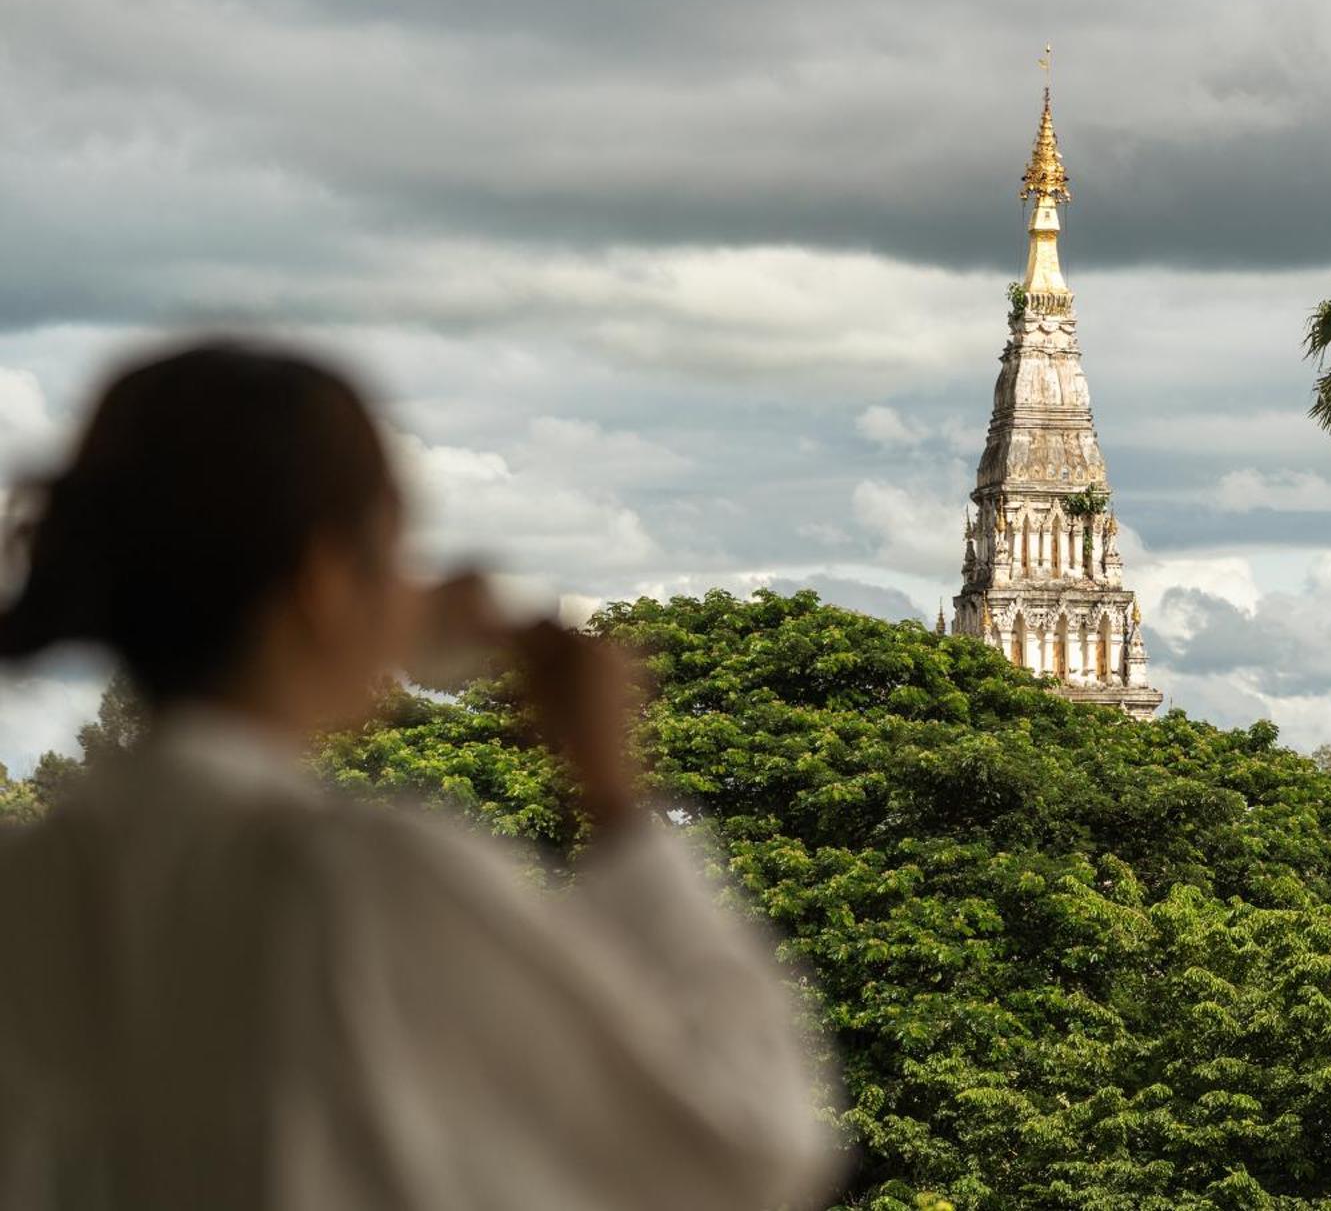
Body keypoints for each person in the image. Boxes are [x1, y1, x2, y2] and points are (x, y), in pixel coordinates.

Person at [0, 342, 839, 1209]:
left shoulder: (28, 878)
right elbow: (748, 1144)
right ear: (324, 580)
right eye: (395, 547)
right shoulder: (352, 878)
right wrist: (611, 790)